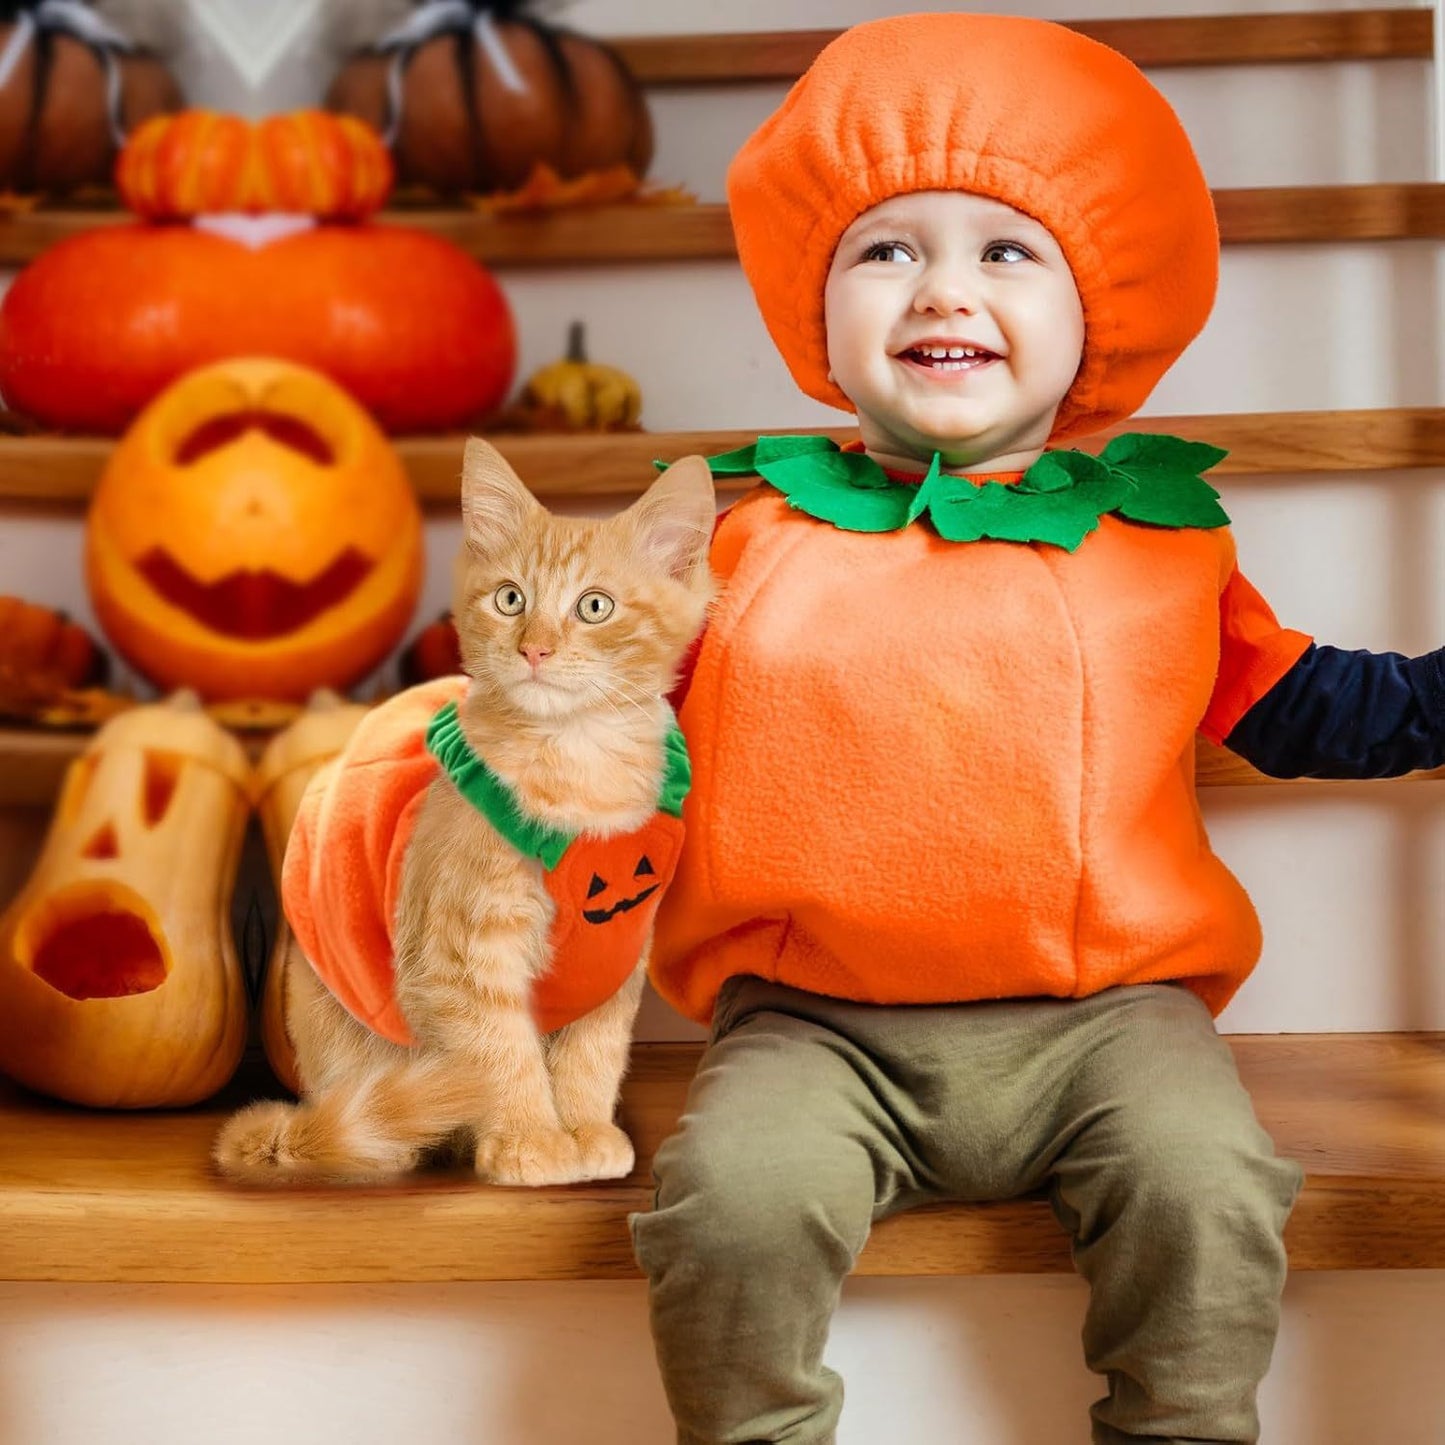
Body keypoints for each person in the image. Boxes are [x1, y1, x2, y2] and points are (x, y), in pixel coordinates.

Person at [628, 14, 1445, 1445]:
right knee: (732, 1205)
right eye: (885, 249)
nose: (941, 286)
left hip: (1106, 1028)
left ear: (1100, 316)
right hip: (816, 1027)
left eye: (1006, 251)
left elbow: (1312, 706)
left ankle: (1179, 1427)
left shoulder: (1160, 547)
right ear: (813, 308)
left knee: (1205, 1183)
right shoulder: (737, 542)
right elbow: (601, 719)